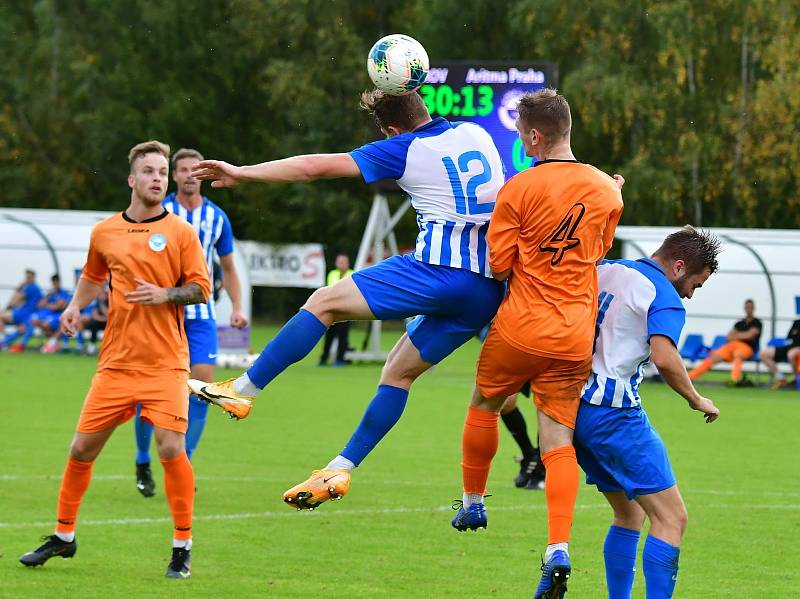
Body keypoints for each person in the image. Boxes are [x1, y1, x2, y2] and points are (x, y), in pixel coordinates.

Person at [189, 88, 508, 509]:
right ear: (425, 105)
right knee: (398, 373)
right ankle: (340, 467)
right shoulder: (477, 134)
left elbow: (312, 167)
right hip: (486, 289)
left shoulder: (404, 148)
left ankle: (244, 389)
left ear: (391, 129)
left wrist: (243, 173)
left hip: (438, 269)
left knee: (323, 302)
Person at [448, 89, 624, 599]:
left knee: (484, 403)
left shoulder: (518, 188)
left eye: (522, 135)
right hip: (574, 334)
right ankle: (558, 547)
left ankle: (474, 499)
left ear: (534, 136)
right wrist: (612, 193)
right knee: (558, 442)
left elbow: (499, 264)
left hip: (521, 326)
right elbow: (600, 245)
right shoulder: (605, 190)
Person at [18, 141, 211, 579]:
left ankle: (182, 547)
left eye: (163, 171)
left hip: (166, 363)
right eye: (149, 171)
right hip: (116, 365)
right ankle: (64, 537)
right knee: (81, 449)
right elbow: (92, 276)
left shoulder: (181, 232)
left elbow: (201, 288)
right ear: (132, 179)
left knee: (170, 447)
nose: (158, 178)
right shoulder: (105, 232)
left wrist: (165, 294)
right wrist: (73, 308)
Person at [573, 226, 721, 599]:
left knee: (630, 514)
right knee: (672, 518)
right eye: (695, 285)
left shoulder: (607, 268)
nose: (689, 295)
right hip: (614, 414)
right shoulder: (664, 296)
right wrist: (695, 398)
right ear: (679, 267)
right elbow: (665, 358)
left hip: (574, 409)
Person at [132, 147, 247, 498]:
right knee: (147, 392)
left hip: (200, 316)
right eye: (180, 170)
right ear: (174, 176)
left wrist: (237, 306)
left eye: (193, 170)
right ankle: (142, 459)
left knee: (203, 390)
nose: (186, 175)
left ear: (204, 175)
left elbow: (227, 266)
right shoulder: (160, 211)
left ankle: (184, 460)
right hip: (159, 315)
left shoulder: (217, 217)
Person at [688, 299, 762, 385]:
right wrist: (742, 335)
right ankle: (689, 378)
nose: (748, 309)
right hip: (731, 346)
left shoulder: (757, 322)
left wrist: (737, 335)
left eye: (750, 307)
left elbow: (750, 335)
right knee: (712, 358)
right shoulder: (740, 323)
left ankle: (735, 380)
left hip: (747, 347)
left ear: (753, 308)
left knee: (738, 355)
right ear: (744, 308)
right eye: (747, 307)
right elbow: (729, 336)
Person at [319, 254, 354, 366]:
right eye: (339, 262)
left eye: (343, 262)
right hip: (332, 310)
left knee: (342, 336)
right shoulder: (332, 274)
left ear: (348, 264)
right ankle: (324, 358)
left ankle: (340, 359)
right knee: (329, 335)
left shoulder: (352, 274)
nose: (341, 264)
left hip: (346, 311)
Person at [0, 269, 43, 352]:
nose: (27, 279)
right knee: (21, 329)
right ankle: (6, 342)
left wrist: (8, 307)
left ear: (33, 277)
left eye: (29, 277)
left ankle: (2, 341)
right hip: (28, 313)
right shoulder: (36, 288)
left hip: (24, 313)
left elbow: (17, 298)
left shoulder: (30, 287)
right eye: (27, 277)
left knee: (1, 316)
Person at [759, 317, 800, 389]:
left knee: (791, 355)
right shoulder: (797, 322)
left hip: (797, 349)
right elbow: (789, 337)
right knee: (764, 354)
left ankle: (796, 379)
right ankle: (781, 379)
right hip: (788, 346)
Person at [78, 285, 109, 355]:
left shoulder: (109, 302)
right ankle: (83, 345)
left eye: (102, 293)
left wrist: (102, 306)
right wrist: (103, 319)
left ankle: (107, 348)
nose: (100, 295)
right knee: (93, 323)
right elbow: (95, 316)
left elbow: (109, 315)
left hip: (110, 323)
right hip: (101, 322)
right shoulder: (98, 302)